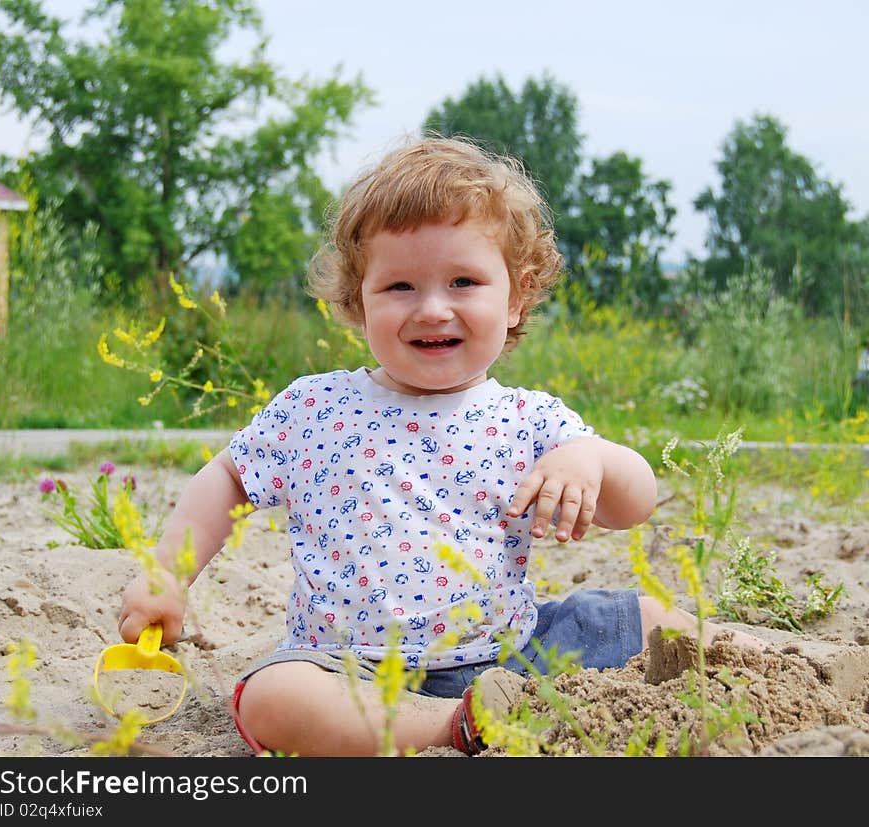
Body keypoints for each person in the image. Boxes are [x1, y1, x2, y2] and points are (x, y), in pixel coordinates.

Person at [118, 135, 764, 757]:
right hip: (353, 670)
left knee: (640, 616)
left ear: (518, 295)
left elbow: (638, 500)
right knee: (273, 696)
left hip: (514, 655)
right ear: (355, 301)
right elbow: (227, 479)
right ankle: (451, 726)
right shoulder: (313, 408)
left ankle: (780, 664)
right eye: (400, 287)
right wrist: (166, 578)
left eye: (463, 282)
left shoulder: (531, 418)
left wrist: (589, 459)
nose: (432, 308)